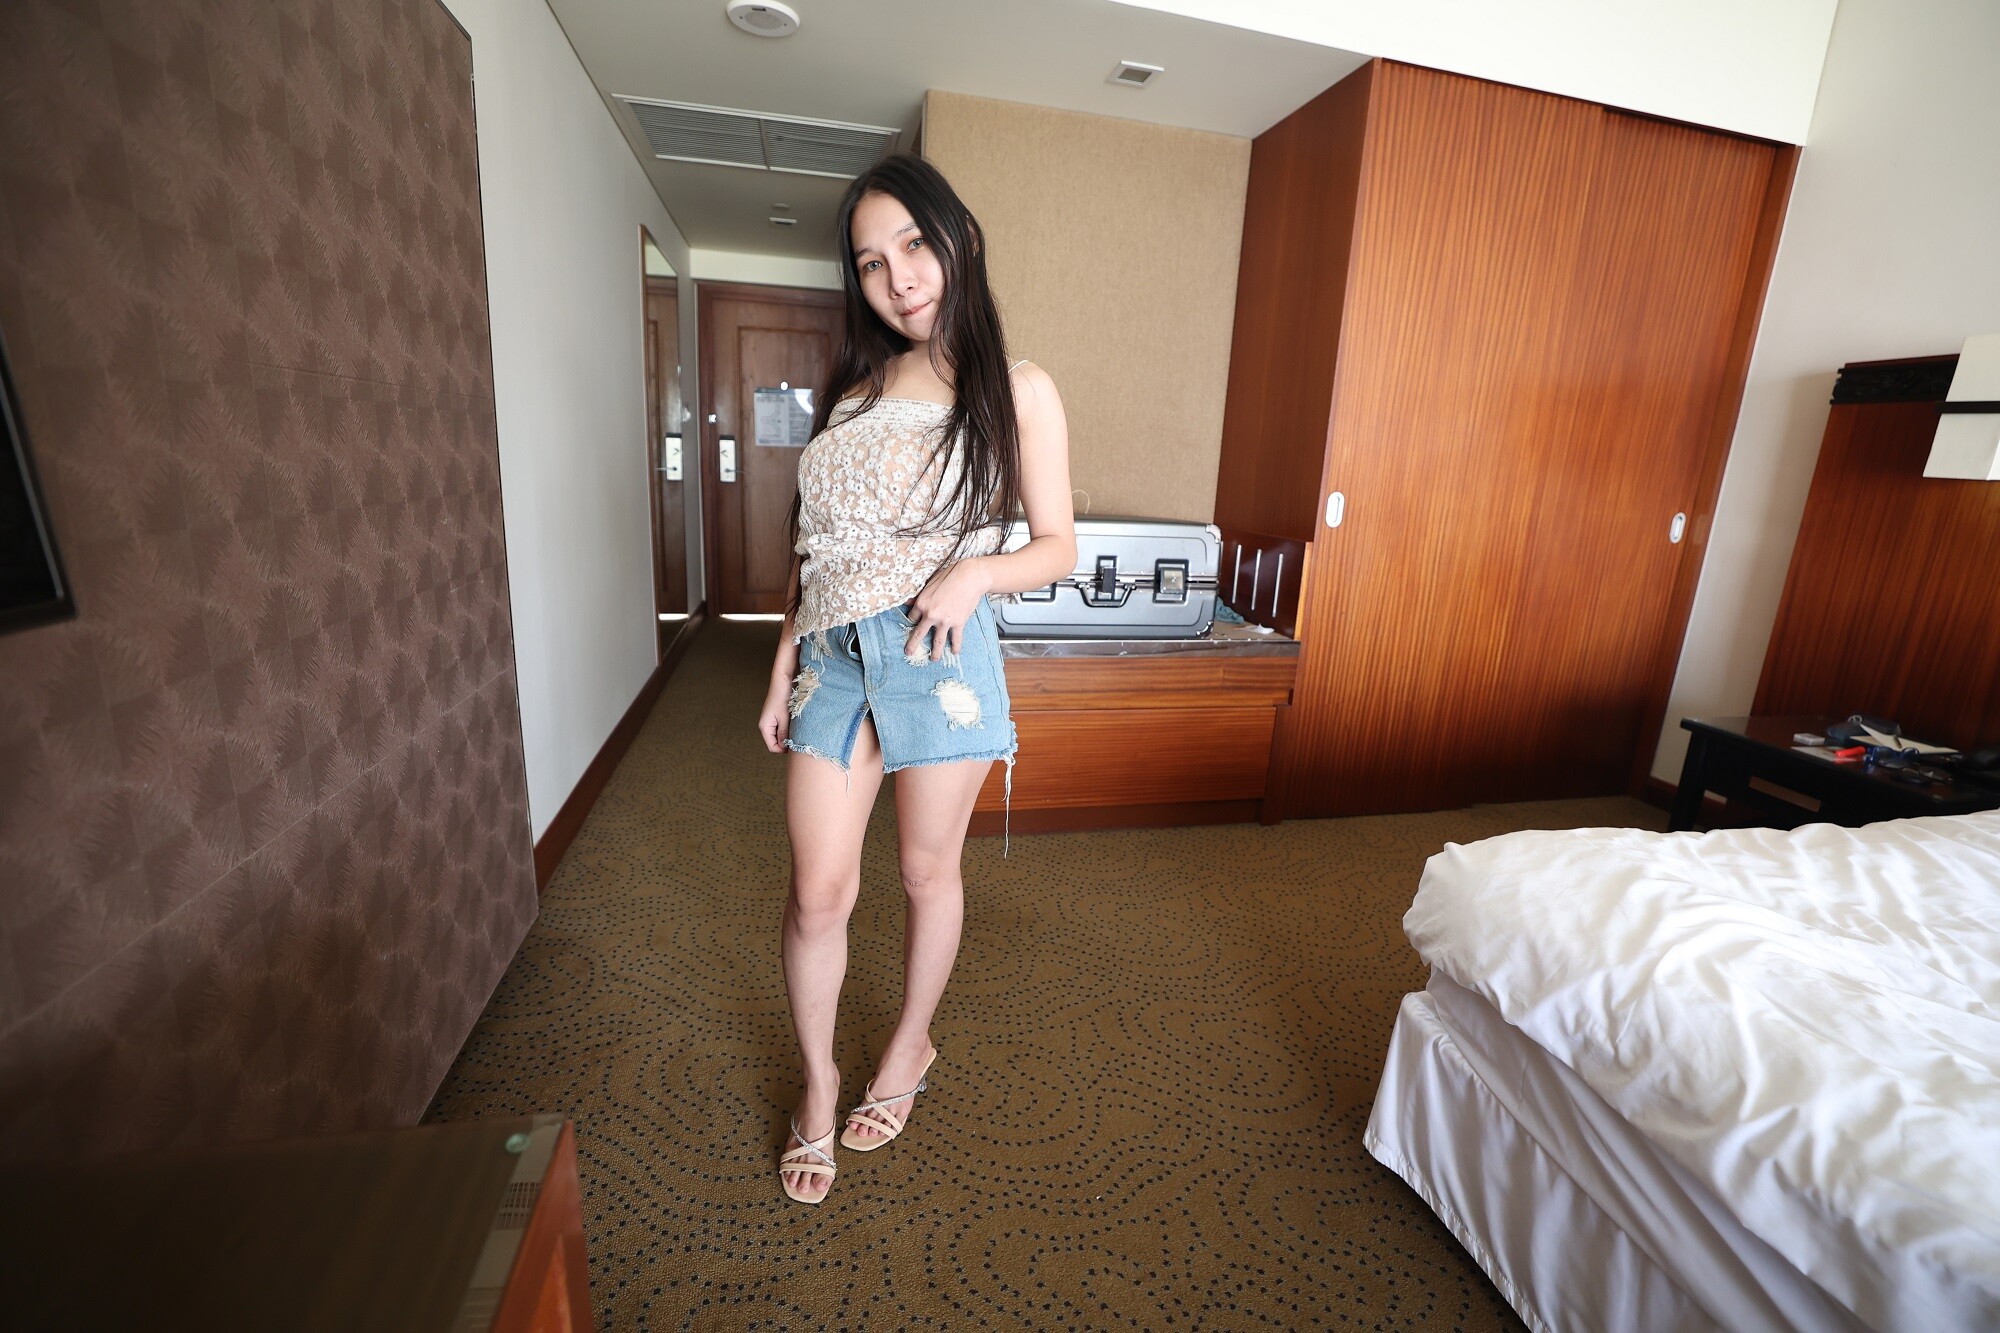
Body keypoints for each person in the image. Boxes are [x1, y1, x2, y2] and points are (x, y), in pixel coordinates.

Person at [757, 155, 1076, 1204]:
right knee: (817, 892)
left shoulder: (1016, 388)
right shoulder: (852, 394)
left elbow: (1058, 545)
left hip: (940, 657)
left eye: (912, 244)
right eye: (869, 261)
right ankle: (817, 1084)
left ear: (958, 240)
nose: (896, 277)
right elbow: (817, 549)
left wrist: (976, 570)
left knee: (926, 872)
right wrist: (782, 659)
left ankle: (908, 1045)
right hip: (835, 656)